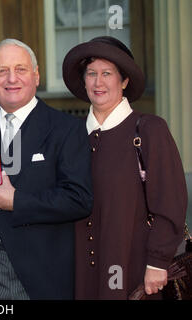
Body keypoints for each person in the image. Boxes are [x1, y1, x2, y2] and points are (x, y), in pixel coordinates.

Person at [0, 39, 93, 300]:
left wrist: (16, 201)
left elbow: (79, 199)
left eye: (21, 69)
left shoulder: (66, 128)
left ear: (36, 75)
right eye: (2, 71)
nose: (11, 78)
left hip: (43, 271)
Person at [62, 36, 188, 299]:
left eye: (107, 73)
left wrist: (157, 262)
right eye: (91, 74)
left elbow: (170, 202)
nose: (98, 82)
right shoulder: (71, 136)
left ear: (124, 81)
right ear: (83, 80)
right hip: (81, 274)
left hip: (136, 270)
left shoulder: (149, 130)